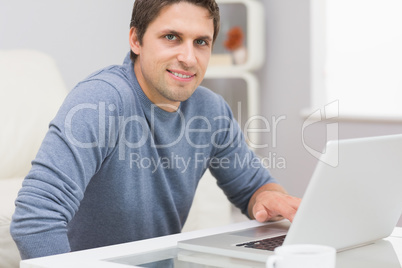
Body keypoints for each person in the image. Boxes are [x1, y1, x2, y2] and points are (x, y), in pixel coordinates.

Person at [11, 0, 301, 260]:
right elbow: (35, 217)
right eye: (171, 37)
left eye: (201, 42)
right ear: (136, 39)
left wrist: (267, 197)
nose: (188, 58)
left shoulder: (210, 110)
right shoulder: (100, 101)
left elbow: (254, 188)